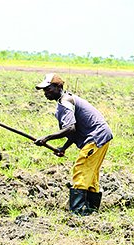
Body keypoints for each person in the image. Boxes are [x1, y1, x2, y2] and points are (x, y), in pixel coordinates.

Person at [34, 73, 113, 215]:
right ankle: (91, 210)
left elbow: (70, 128)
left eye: (48, 89)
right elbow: (74, 131)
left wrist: (46, 138)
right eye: (44, 90)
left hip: (95, 137)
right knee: (91, 173)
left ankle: (77, 213)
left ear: (59, 87)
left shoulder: (65, 102)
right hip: (101, 135)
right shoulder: (66, 100)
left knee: (81, 169)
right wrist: (63, 148)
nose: (45, 93)